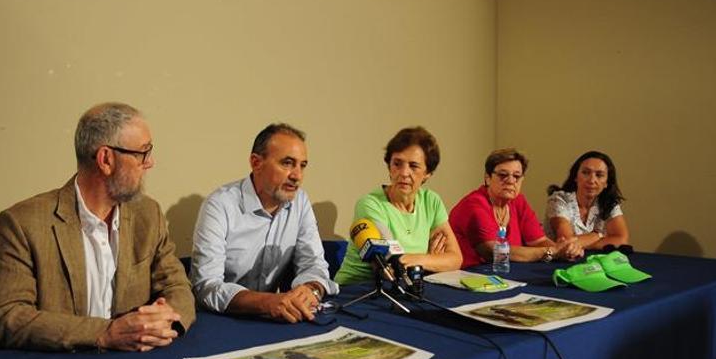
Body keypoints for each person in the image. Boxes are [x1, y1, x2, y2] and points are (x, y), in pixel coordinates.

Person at [0, 102, 195, 352]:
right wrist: (104, 333)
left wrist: (164, 318)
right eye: (143, 153)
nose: (150, 163)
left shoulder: (147, 214)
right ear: (106, 159)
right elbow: (4, 316)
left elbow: (177, 286)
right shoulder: (23, 223)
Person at [190, 123, 339, 323]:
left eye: (302, 165)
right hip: (219, 320)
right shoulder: (220, 204)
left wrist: (310, 289)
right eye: (287, 163)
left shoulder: (300, 202)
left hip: (271, 318)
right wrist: (268, 302)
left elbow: (313, 263)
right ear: (256, 162)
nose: (297, 176)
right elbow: (206, 286)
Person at [334, 127, 462, 286]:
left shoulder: (431, 201)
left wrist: (418, 260)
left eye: (413, 166)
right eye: (397, 163)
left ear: (428, 173)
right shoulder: (370, 204)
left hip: (403, 287)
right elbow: (393, 264)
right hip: (357, 290)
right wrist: (431, 259)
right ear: (389, 166)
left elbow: (455, 259)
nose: (404, 172)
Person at [448, 148, 583, 268]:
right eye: (503, 175)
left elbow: (539, 241)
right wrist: (552, 252)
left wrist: (566, 250)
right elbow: (493, 252)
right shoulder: (474, 205)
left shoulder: (518, 201)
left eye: (516, 176)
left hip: (504, 273)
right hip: (466, 275)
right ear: (488, 178)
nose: (511, 181)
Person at [545, 151, 629, 249]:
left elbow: (622, 240)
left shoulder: (609, 202)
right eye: (586, 173)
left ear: (607, 183)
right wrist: (598, 236)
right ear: (575, 177)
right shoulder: (559, 200)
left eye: (599, 175)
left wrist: (586, 244)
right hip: (558, 261)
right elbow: (566, 241)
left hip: (594, 261)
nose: (591, 180)